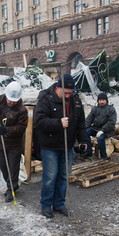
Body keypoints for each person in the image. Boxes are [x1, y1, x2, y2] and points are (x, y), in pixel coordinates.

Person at [35, 74, 89, 218]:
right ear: (57, 87)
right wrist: (58, 123)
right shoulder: (45, 99)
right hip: (50, 146)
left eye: (70, 93)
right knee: (50, 177)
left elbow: (81, 124)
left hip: (67, 145)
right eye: (65, 93)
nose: (67, 96)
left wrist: (83, 141)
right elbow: (39, 122)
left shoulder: (76, 101)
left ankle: (59, 203)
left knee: (64, 176)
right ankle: (46, 205)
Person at [0, 82, 28, 202]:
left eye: (14, 101)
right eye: (10, 100)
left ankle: (11, 189)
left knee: (12, 168)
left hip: (14, 143)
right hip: (0, 141)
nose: (11, 103)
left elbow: (21, 127)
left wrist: (7, 130)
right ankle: (12, 185)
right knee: (4, 167)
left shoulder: (22, 110)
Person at [82, 92, 117, 160]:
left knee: (100, 138)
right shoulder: (95, 108)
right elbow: (89, 118)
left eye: (103, 100)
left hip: (107, 131)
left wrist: (102, 130)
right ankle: (88, 151)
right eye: (100, 100)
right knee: (86, 132)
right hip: (96, 128)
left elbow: (111, 122)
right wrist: (84, 127)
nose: (102, 102)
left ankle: (104, 156)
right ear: (98, 101)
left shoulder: (111, 109)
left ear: (106, 100)